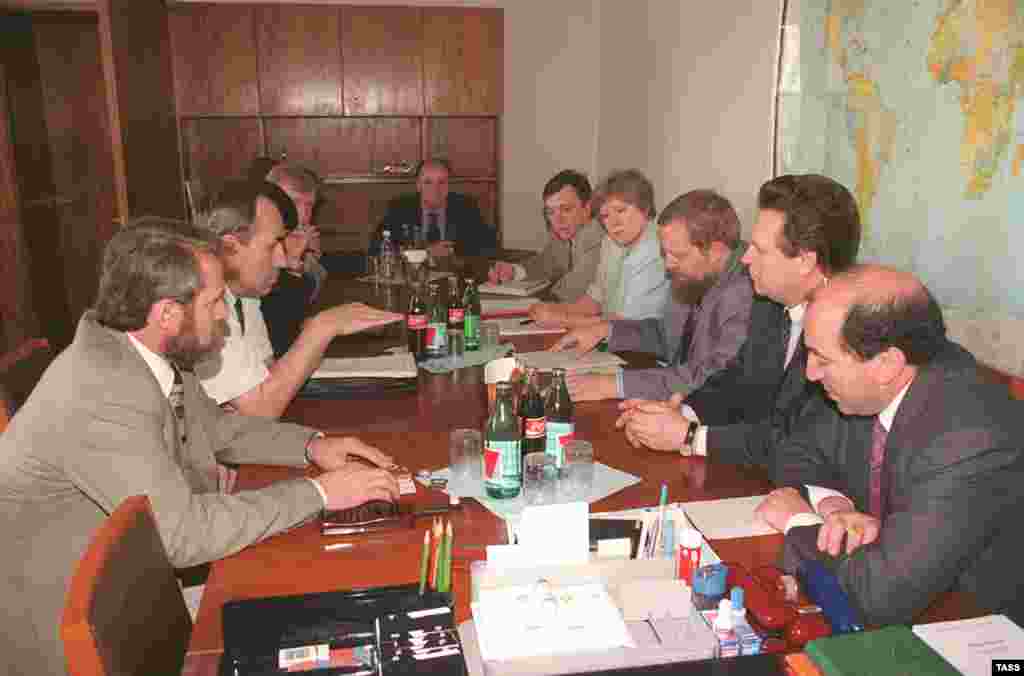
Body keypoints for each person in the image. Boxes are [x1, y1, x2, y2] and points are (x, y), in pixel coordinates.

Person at [0, 220, 400, 676]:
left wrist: (313, 447)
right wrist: (322, 494)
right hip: (81, 631)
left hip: (135, 585)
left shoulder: (143, 348)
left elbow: (219, 429)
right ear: (168, 312)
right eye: (214, 303)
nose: (224, 316)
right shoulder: (101, 394)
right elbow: (186, 536)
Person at [756, 265, 1024, 626]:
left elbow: (878, 596)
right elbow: (796, 448)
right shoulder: (865, 388)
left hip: (975, 631)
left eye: (823, 359)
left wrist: (800, 522)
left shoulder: (971, 437)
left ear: (886, 364)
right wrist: (834, 505)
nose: (811, 374)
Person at [616, 175, 861, 469]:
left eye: (760, 249)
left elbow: (802, 439)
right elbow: (735, 385)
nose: (745, 258)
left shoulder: (851, 332)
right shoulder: (769, 306)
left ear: (805, 261)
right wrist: (680, 412)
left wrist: (691, 436)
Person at [194, 179, 402, 417]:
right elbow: (262, 411)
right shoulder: (202, 307)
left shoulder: (246, 294)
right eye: (272, 246)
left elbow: (269, 375)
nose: (283, 260)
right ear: (230, 247)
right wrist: (323, 327)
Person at [551, 189, 753, 402]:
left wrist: (615, 385)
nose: (668, 265)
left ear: (716, 250)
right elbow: (666, 336)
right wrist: (605, 331)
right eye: (665, 254)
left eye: (677, 255)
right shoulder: (691, 275)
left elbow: (712, 377)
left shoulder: (747, 292)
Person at [528, 169, 670, 328]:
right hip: (611, 339)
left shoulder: (656, 247)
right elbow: (592, 302)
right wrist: (550, 309)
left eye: (621, 210)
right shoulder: (610, 242)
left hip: (640, 347)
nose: (613, 223)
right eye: (605, 216)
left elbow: (629, 327)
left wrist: (562, 319)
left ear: (644, 208)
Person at [487, 170, 603, 301]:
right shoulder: (566, 235)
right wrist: (513, 271)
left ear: (586, 209)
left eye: (566, 210)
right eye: (551, 212)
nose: (557, 220)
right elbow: (546, 262)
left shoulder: (598, 240)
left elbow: (568, 293)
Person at [369, 158, 498, 259]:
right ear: (418, 185)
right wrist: (426, 253)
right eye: (428, 182)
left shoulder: (465, 207)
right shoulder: (401, 208)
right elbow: (376, 248)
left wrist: (452, 250)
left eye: (442, 182)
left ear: (449, 185)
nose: (435, 189)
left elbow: (487, 246)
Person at [261, 162, 327, 357]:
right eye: (296, 202)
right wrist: (293, 264)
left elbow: (312, 293)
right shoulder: (260, 241)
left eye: (309, 205)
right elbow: (279, 323)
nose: (304, 214)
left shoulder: (297, 235)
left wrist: (312, 258)